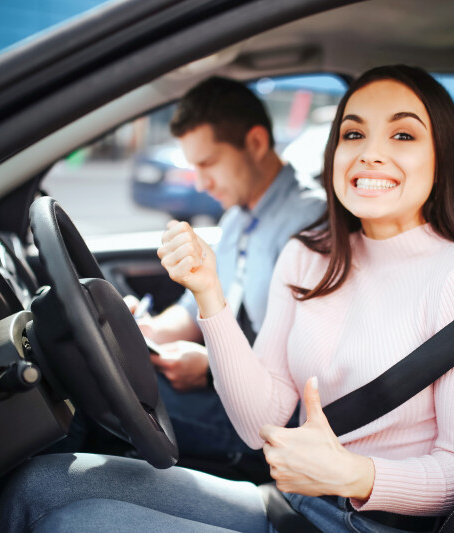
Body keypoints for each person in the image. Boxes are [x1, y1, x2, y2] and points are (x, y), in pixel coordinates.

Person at [0, 65, 454, 533]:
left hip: (370, 524)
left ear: (443, 156)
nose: (371, 154)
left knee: (72, 525)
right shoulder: (309, 255)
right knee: (43, 484)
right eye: (354, 133)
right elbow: (258, 424)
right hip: (290, 506)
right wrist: (209, 296)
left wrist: (355, 475)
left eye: (404, 136)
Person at [129, 76, 326, 459]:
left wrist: (209, 370)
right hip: (224, 393)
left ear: (254, 143)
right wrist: (143, 332)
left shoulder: (311, 225)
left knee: (100, 403)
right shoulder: (237, 216)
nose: (201, 183)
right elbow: (193, 309)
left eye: (209, 163)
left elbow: (306, 363)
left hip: (270, 426)